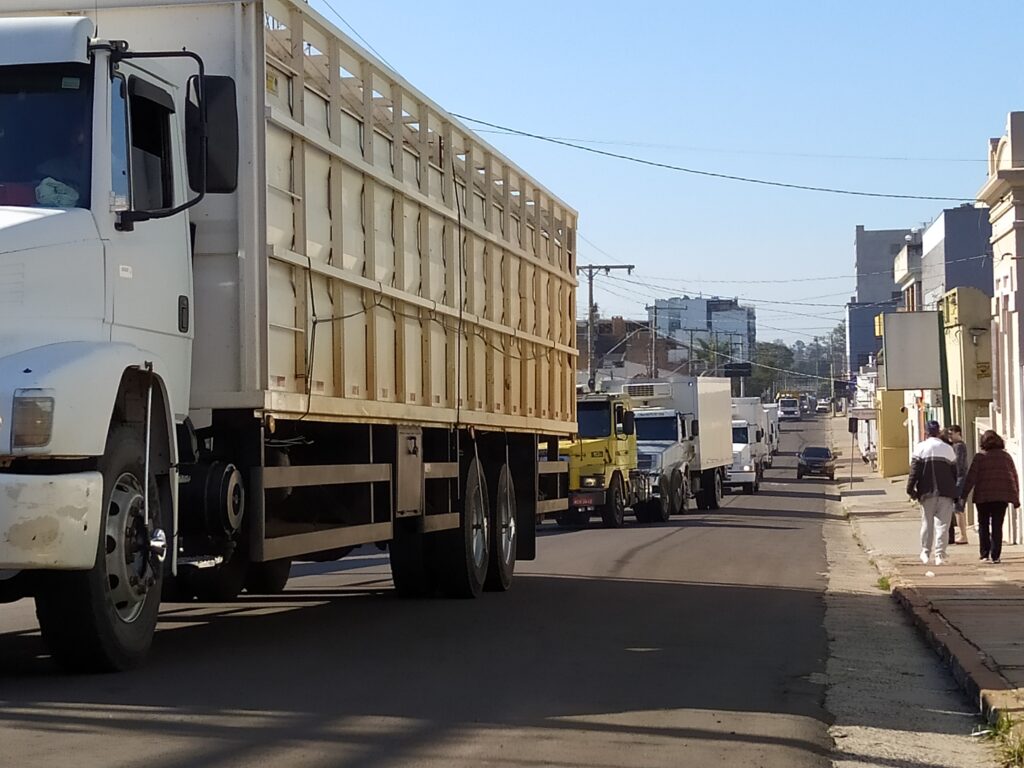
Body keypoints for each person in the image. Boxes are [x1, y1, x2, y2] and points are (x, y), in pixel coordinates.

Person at [961, 430, 1020, 564]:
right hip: (1001, 497)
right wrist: (1015, 498)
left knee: (983, 525)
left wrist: (963, 496)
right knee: (997, 525)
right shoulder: (1006, 457)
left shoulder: (979, 457)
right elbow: (1013, 477)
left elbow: (971, 478)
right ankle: (996, 555)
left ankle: (984, 554)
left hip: (983, 497)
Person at [907, 420, 958, 566]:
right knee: (943, 525)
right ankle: (940, 555)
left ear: (926, 432)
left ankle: (925, 552)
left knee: (927, 523)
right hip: (946, 492)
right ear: (939, 432)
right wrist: (954, 490)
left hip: (926, 492)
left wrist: (911, 490)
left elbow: (914, 472)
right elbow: (955, 473)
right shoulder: (948, 449)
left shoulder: (920, 448)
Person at [946, 425, 969, 545]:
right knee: (957, 509)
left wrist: (957, 483)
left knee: (958, 508)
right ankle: (962, 534)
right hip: (958, 480)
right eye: (948, 434)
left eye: (951, 433)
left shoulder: (959, 446)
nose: (949, 436)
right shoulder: (956, 446)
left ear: (958, 433)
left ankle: (963, 535)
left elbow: (959, 466)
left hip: (959, 480)